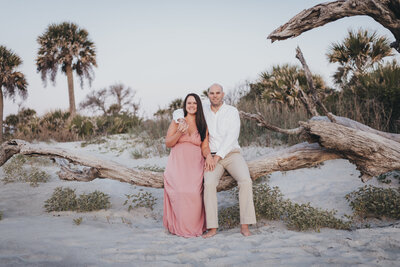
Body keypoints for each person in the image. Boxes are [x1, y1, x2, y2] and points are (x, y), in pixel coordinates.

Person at [173, 83, 256, 237]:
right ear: (208, 95)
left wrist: (217, 157)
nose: (215, 96)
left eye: (218, 93)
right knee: (209, 183)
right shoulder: (203, 109)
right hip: (210, 156)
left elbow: (232, 136)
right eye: (212, 93)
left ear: (223, 94)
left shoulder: (231, 111)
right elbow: (179, 110)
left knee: (245, 180)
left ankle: (245, 225)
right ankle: (212, 227)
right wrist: (180, 119)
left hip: (231, 154)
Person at [163, 93, 211, 237]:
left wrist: (208, 155)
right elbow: (168, 143)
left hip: (195, 165)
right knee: (179, 191)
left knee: (194, 193)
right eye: (189, 103)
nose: (191, 105)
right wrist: (179, 132)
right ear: (185, 105)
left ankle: (195, 227)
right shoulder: (178, 121)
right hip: (177, 164)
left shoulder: (203, 124)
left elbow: (204, 147)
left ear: (198, 106)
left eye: (194, 103)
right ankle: (179, 228)